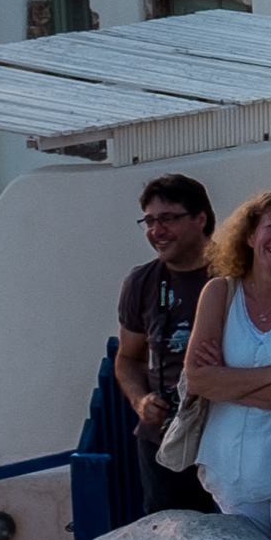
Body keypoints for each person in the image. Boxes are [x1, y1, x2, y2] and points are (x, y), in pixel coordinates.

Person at [181, 188, 271, 538]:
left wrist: (227, 383)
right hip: (230, 468)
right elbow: (197, 380)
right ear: (249, 236)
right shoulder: (219, 292)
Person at [114, 173, 219, 518]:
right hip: (164, 440)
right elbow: (128, 359)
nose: (156, 231)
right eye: (149, 221)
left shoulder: (235, 274)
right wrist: (140, 400)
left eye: (168, 219)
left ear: (200, 218)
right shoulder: (142, 282)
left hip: (225, 434)